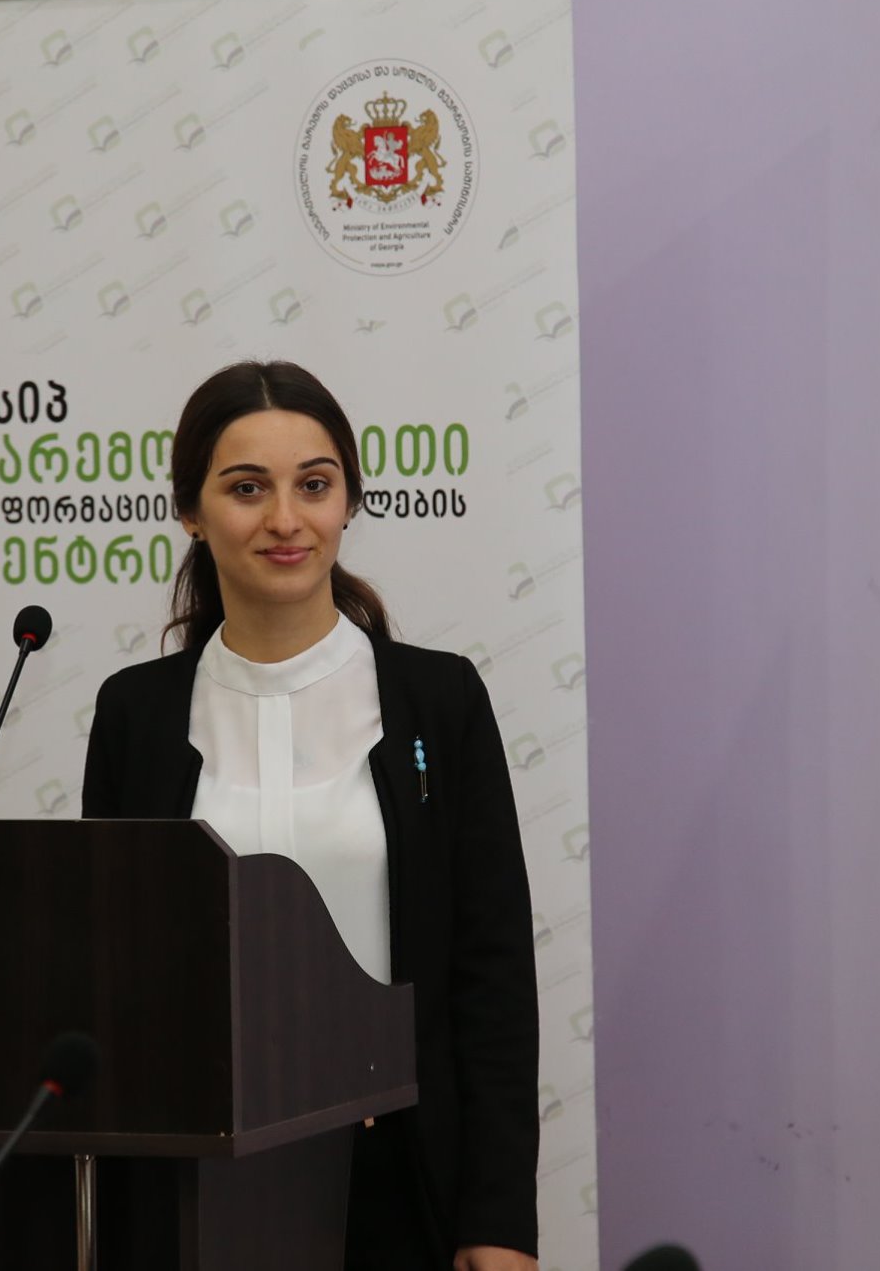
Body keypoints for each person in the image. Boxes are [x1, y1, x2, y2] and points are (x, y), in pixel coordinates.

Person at [81, 360, 540, 1271]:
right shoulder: (136, 713)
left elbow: (492, 977)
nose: (286, 519)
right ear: (190, 511)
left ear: (349, 503)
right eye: (247, 488)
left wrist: (499, 1221)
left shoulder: (439, 700)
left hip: (400, 1183)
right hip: (192, 1180)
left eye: (315, 485)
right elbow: (112, 971)